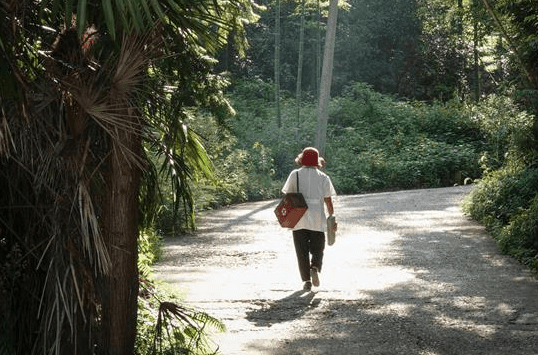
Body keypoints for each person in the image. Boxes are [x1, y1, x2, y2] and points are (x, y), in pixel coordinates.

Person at [281, 147, 337, 291]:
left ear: (302, 159)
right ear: (317, 161)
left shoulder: (295, 175)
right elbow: (328, 201)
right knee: (319, 247)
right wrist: (332, 217)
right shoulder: (324, 177)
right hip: (317, 217)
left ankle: (306, 280)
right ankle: (315, 267)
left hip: (299, 216)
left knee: (301, 250)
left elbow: (288, 196)